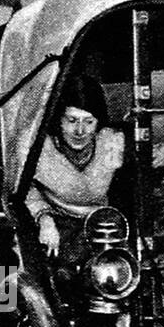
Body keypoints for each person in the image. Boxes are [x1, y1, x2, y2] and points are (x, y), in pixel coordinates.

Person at [23, 74, 125, 290]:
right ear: (58, 119)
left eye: (89, 122)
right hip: (56, 233)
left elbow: (147, 158)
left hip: (101, 230)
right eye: (71, 120)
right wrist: (44, 218)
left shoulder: (111, 142)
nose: (80, 131)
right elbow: (24, 188)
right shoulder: (40, 149)